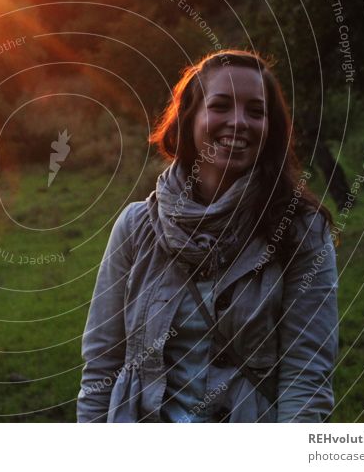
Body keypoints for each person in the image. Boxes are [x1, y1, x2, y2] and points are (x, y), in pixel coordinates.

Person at [77, 50, 339, 423]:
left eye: (256, 111)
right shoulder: (136, 228)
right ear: (190, 117)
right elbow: (101, 366)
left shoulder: (300, 232)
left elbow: (306, 379)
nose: (238, 122)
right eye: (220, 106)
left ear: (272, 127)